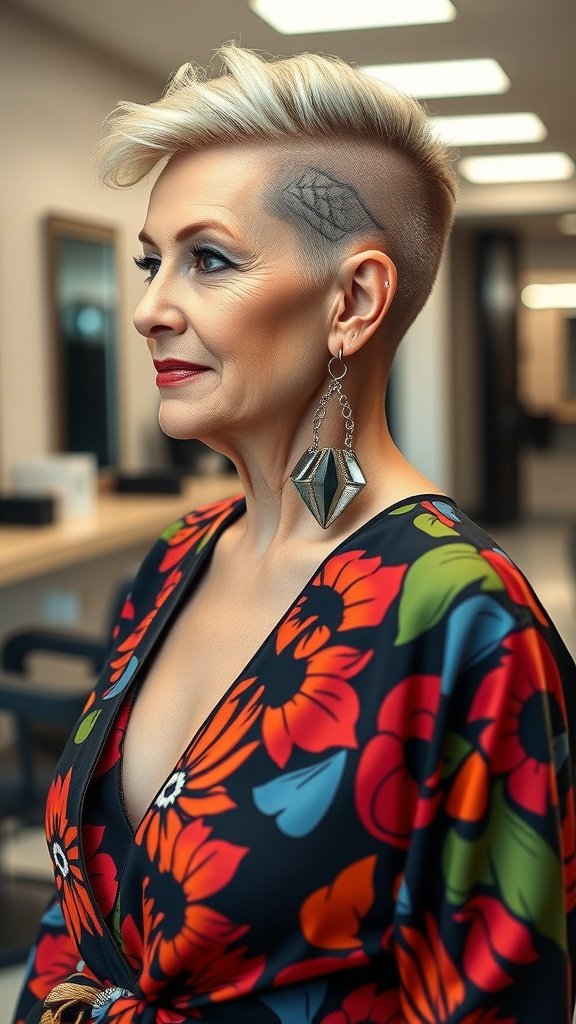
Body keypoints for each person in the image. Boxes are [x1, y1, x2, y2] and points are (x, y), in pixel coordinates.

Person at [12, 42, 576, 1024]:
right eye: (152, 262)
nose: (148, 308)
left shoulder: (468, 624)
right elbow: (81, 916)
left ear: (351, 301)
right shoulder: (181, 554)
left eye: (209, 259)